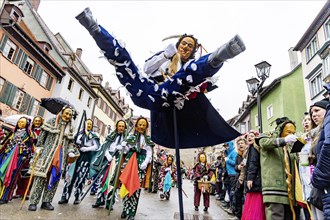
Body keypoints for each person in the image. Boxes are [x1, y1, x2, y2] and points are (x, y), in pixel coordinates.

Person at [75, 8, 243, 149]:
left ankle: (216, 58)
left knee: (185, 77)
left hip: (174, 104)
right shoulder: (166, 57)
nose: (185, 46)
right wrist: (164, 55)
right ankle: (96, 30)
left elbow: (197, 87)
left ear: (193, 51)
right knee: (125, 64)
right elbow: (146, 69)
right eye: (183, 43)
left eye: (190, 45)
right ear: (178, 45)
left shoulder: (191, 66)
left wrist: (203, 84)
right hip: (150, 93)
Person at [28, 106, 77, 211]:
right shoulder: (51, 122)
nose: (68, 116)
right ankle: (33, 202)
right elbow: (42, 137)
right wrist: (39, 148)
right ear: (62, 112)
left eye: (70, 115)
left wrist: (71, 151)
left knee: (54, 178)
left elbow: (70, 143)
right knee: (40, 178)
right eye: (66, 113)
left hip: (60, 157)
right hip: (47, 155)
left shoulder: (71, 128)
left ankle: (46, 201)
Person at [256, 117, 301, 220]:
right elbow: (264, 143)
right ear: (280, 130)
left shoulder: (291, 146)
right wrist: (283, 140)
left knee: (292, 216)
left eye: (293, 132)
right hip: (274, 188)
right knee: (275, 216)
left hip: (291, 190)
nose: (291, 134)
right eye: (288, 132)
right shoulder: (269, 137)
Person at [119, 117, 154, 220]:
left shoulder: (148, 139)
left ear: (146, 127)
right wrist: (124, 146)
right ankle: (125, 209)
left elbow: (149, 152)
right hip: (129, 161)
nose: (141, 126)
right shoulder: (130, 136)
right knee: (125, 184)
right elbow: (125, 152)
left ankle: (132, 212)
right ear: (136, 125)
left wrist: (146, 161)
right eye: (140, 124)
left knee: (135, 188)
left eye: (144, 125)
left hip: (140, 162)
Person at [58, 119, 100, 205]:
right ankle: (64, 196)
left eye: (90, 124)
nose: (88, 125)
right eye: (87, 123)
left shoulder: (93, 136)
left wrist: (87, 148)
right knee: (69, 176)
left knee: (81, 177)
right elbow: (72, 143)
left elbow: (97, 146)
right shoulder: (78, 134)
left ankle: (77, 196)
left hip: (86, 157)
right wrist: (71, 150)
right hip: (76, 155)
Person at [91, 119, 127, 209]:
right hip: (108, 158)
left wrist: (123, 147)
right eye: (120, 126)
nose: (121, 128)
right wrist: (107, 155)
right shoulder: (111, 135)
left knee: (114, 181)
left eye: (123, 126)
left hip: (118, 159)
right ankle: (100, 200)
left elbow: (128, 150)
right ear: (117, 126)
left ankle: (110, 202)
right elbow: (105, 146)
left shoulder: (127, 138)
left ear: (125, 128)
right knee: (103, 179)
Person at [0, 117, 35, 204]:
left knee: (12, 176)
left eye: (22, 122)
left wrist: (24, 154)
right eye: (19, 122)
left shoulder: (29, 135)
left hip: (19, 157)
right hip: (7, 155)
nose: (20, 124)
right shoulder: (13, 132)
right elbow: (5, 143)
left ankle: (5, 197)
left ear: (26, 124)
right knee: (3, 174)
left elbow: (30, 148)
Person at [308, 98, 330, 219]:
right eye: (312, 113)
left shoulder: (325, 130)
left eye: (317, 110)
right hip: (319, 184)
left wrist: (317, 177)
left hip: (323, 180)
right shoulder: (316, 133)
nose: (313, 115)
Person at [13, 116, 44, 199]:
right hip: (23, 152)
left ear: (41, 122)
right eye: (35, 121)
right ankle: (18, 192)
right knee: (20, 173)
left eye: (38, 121)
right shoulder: (29, 130)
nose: (37, 122)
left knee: (27, 174)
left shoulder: (42, 131)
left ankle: (25, 193)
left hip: (33, 153)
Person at [241, 130, 266, 220]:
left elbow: (253, 163)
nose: (249, 137)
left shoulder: (253, 148)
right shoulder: (251, 149)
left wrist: (250, 178)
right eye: (248, 136)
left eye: (252, 136)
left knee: (254, 206)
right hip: (257, 181)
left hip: (255, 181)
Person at [232, 137, 247, 219]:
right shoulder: (238, 156)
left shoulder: (249, 153)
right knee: (237, 196)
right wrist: (238, 167)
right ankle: (238, 216)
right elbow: (235, 167)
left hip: (247, 179)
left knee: (246, 199)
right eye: (238, 144)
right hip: (239, 179)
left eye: (242, 143)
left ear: (246, 144)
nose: (240, 145)